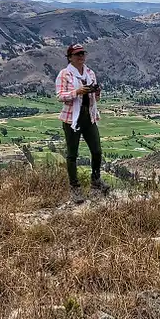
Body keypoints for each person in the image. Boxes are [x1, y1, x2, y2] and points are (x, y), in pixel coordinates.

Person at [55, 43, 109, 202]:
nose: (81, 57)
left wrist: (96, 92)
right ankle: (75, 187)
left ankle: (96, 179)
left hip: (89, 116)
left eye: (82, 54)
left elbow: (96, 98)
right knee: (72, 154)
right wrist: (77, 92)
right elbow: (60, 96)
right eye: (77, 54)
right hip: (72, 118)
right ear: (70, 57)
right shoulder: (64, 74)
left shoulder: (90, 73)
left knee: (97, 151)